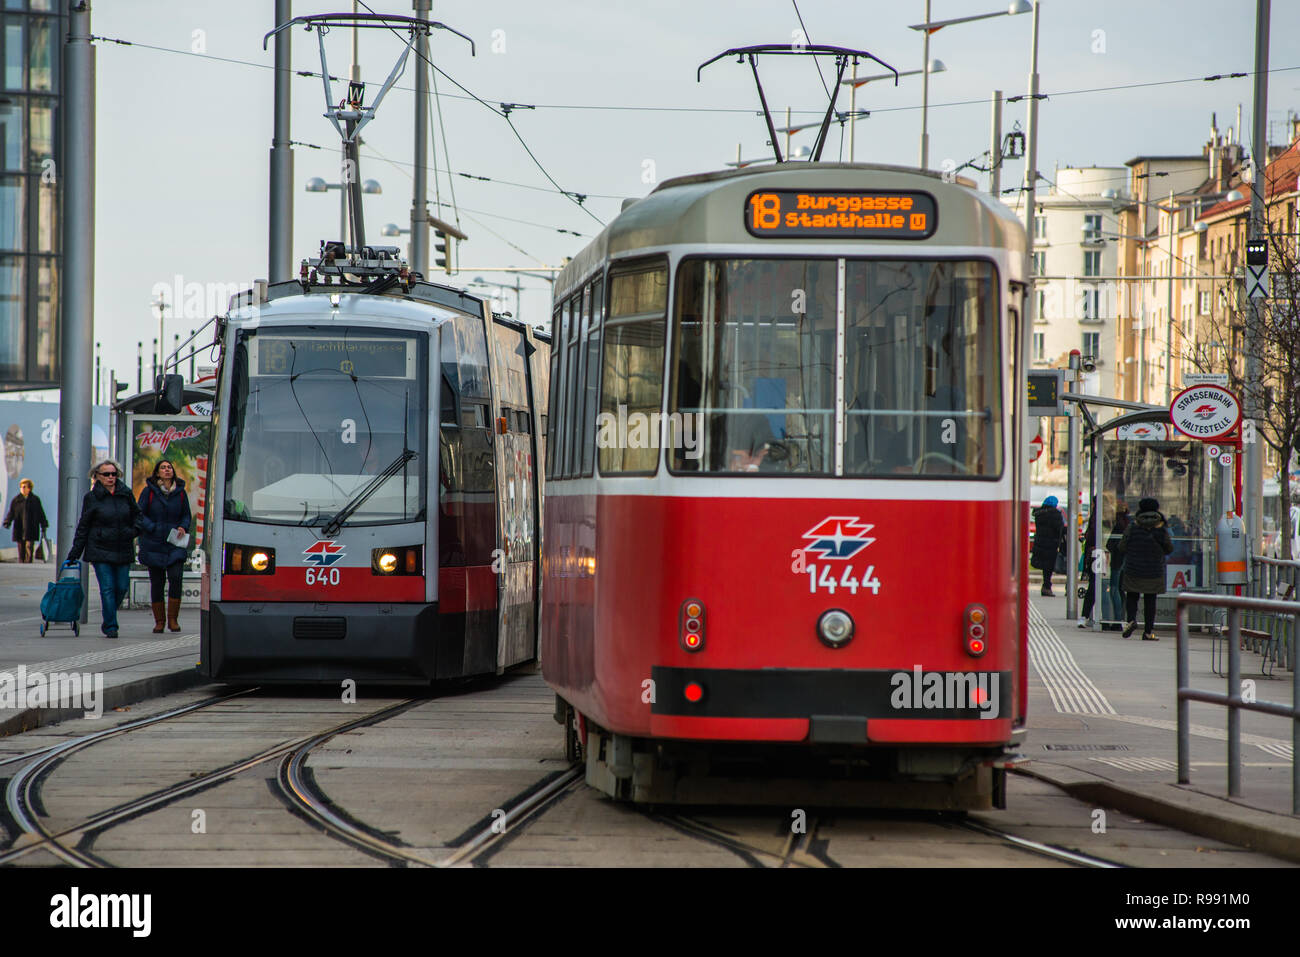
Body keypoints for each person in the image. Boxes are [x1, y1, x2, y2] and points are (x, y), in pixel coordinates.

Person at [67, 459, 143, 639]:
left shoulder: (125, 493)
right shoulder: (92, 498)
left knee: (122, 587)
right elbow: (83, 526)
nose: (111, 477)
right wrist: (75, 552)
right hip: (100, 549)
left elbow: (137, 515)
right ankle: (110, 626)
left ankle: (109, 615)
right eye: (106, 474)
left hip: (123, 547)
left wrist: (133, 531)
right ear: (97, 476)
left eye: (114, 474)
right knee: (107, 588)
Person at [136, 459, 192, 633]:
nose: (167, 470)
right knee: (157, 582)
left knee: (176, 578)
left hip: (174, 543)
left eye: (169, 467)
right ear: (157, 473)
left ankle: (173, 620)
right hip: (154, 543)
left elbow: (186, 515)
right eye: (163, 468)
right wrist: (152, 527)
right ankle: (159, 621)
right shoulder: (148, 492)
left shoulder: (181, 493)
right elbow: (139, 514)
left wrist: (183, 526)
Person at [1119, 496, 1173, 641]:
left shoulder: (1133, 526)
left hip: (1133, 568)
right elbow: (1169, 548)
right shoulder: (1161, 527)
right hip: (1154, 570)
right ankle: (1148, 631)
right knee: (1150, 600)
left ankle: (1131, 620)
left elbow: (1122, 546)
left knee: (1132, 596)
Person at [3, 478, 48, 563]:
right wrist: (7, 522)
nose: (22, 489)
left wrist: (44, 524)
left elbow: (40, 513)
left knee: (29, 547)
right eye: (21, 487)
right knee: (21, 548)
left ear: (29, 488)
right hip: (19, 528)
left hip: (31, 528)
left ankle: (28, 563)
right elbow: (11, 513)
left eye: (24, 487)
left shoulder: (35, 500)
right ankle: (21, 563)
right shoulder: (16, 500)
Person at [1031, 495, 1067, 596]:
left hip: (1040, 543)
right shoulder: (1055, 514)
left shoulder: (1039, 514)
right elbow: (1059, 528)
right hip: (1051, 544)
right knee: (1049, 567)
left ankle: (1046, 585)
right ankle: (1047, 586)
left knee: (1045, 567)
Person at [1104, 501, 1131, 630]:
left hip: (1117, 560)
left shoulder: (1118, 526)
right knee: (1121, 589)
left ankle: (1117, 619)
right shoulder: (1129, 524)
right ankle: (1121, 619)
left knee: (1114, 588)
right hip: (1126, 561)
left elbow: (1110, 544)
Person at [1077, 499, 1098, 629]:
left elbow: (1091, 537)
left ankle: (1085, 616)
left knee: (1093, 587)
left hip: (1096, 556)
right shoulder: (1112, 518)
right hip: (1101, 557)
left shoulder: (1095, 517)